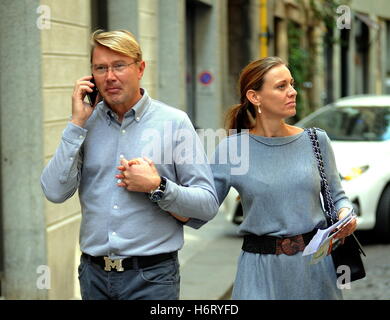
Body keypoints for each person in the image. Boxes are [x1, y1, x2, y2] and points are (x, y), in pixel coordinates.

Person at [40, 29, 219, 300]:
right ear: (91, 76)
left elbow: (206, 205)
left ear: (140, 68)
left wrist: (157, 186)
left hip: (152, 278)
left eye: (119, 66)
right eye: (101, 68)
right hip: (93, 276)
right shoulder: (85, 124)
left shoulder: (174, 123)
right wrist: (76, 124)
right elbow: (54, 191)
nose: (110, 76)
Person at [210, 57, 357, 299]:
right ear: (254, 97)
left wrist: (345, 215)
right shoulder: (232, 150)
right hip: (259, 272)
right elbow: (203, 204)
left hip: (315, 270)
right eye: (281, 86)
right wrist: (161, 188)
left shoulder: (316, 140)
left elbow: (337, 196)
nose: (293, 92)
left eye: (291, 84)